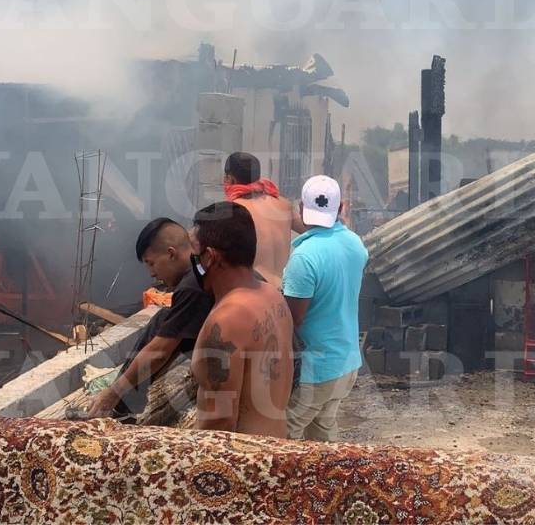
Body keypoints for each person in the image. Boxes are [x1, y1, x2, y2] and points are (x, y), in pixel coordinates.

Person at [87, 218, 213, 418]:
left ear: (171, 254)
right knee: (164, 317)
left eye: (151, 263)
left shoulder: (192, 286)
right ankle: (124, 404)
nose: (152, 273)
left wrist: (112, 393)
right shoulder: (201, 269)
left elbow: (159, 352)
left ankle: (123, 409)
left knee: (161, 325)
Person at [189, 202, 294, 437]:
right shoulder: (272, 296)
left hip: (245, 465)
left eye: (195, 252)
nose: (192, 259)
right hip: (276, 448)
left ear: (209, 257)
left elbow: (219, 424)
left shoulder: (226, 322)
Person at [282, 175, 368, 441]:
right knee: (322, 434)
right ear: (341, 207)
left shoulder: (304, 258)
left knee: (283, 435)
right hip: (346, 363)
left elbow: (292, 319)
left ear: (300, 209)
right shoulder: (355, 244)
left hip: (316, 370)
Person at [222, 152, 296, 287]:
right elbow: (314, 227)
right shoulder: (284, 205)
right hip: (284, 292)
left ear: (230, 179)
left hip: (256, 293)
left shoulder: (233, 211)